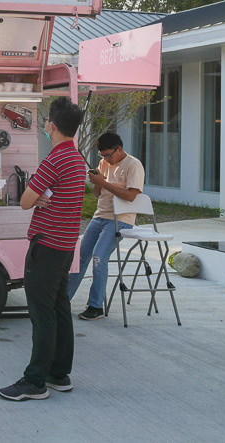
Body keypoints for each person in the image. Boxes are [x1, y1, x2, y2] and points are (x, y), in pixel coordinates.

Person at [0, 97, 86, 401]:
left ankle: (34, 380)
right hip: (65, 247)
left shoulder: (54, 160)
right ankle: (59, 374)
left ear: (52, 125)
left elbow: (24, 200)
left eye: (47, 119)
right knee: (60, 309)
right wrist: (39, 196)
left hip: (46, 246)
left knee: (41, 314)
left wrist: (35, 197)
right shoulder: (76, 159)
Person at [67, 132, 144, 321]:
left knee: (98, 257)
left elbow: (131, 196)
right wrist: (96, 182)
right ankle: (63, 299)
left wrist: (104, 183)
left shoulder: (133, 165)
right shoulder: (104, 164)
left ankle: (96, 306)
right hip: (99, 216)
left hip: (120, 218)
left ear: (119, 148)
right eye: (103, 156)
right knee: (80, 257)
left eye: (109, 155)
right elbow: (98, 193)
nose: (106, 159)